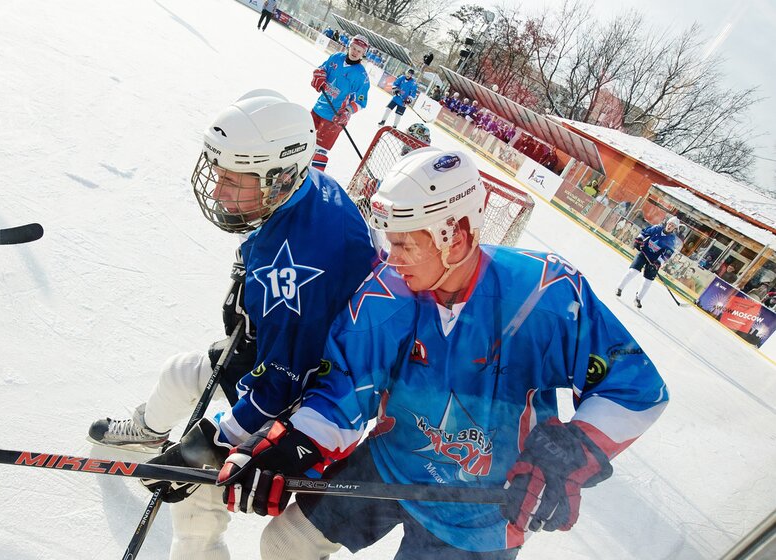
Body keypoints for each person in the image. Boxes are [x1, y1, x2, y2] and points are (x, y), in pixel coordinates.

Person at [213, 147, 669, 559]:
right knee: (285, 543)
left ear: (458, 234)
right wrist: (285, 451)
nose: (391, 259)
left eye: (405, 244)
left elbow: (634, 388)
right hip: (393, 462)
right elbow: (343, 390)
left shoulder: (544, 293)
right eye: (390, 241)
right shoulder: (386, 293)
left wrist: (566, 456)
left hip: (485, 507)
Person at [88, 89, 376, 559]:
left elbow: (283, 384)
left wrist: (211, 443)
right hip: (289, 348)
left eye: (232, 180)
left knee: (201, 484)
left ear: (281, 177)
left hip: (313, 392)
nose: (218, 190)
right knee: (180, 374)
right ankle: (148, 430)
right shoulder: (304, 191)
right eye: (218, 173)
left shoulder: (303, 267)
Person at [309, 35, 371, 171]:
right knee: (303, 140)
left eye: (359, 51)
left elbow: (361, 101)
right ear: (349, 46)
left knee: (319, 153)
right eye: (354, 48)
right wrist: (318, 75)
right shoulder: (336, 57)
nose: (355, 52)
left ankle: (314, 178)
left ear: (363, 54)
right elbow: (322, 69)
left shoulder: (362, 76)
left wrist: (347, 112)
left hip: (335, 119)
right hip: (318, 109)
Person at [616, 216, 680, 308]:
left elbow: (667, 255)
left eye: (672, 226)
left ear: (674, 228)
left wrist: (658, 263)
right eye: (670, 224)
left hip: (654, 260)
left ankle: (638, 299)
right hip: (644, 253)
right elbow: (644, 233)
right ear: (667, 223)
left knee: (648, 281)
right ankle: (619, 288)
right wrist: (639, 240)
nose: (670, 226)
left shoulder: (672, 240)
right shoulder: (657, 228)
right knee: (633, 272)